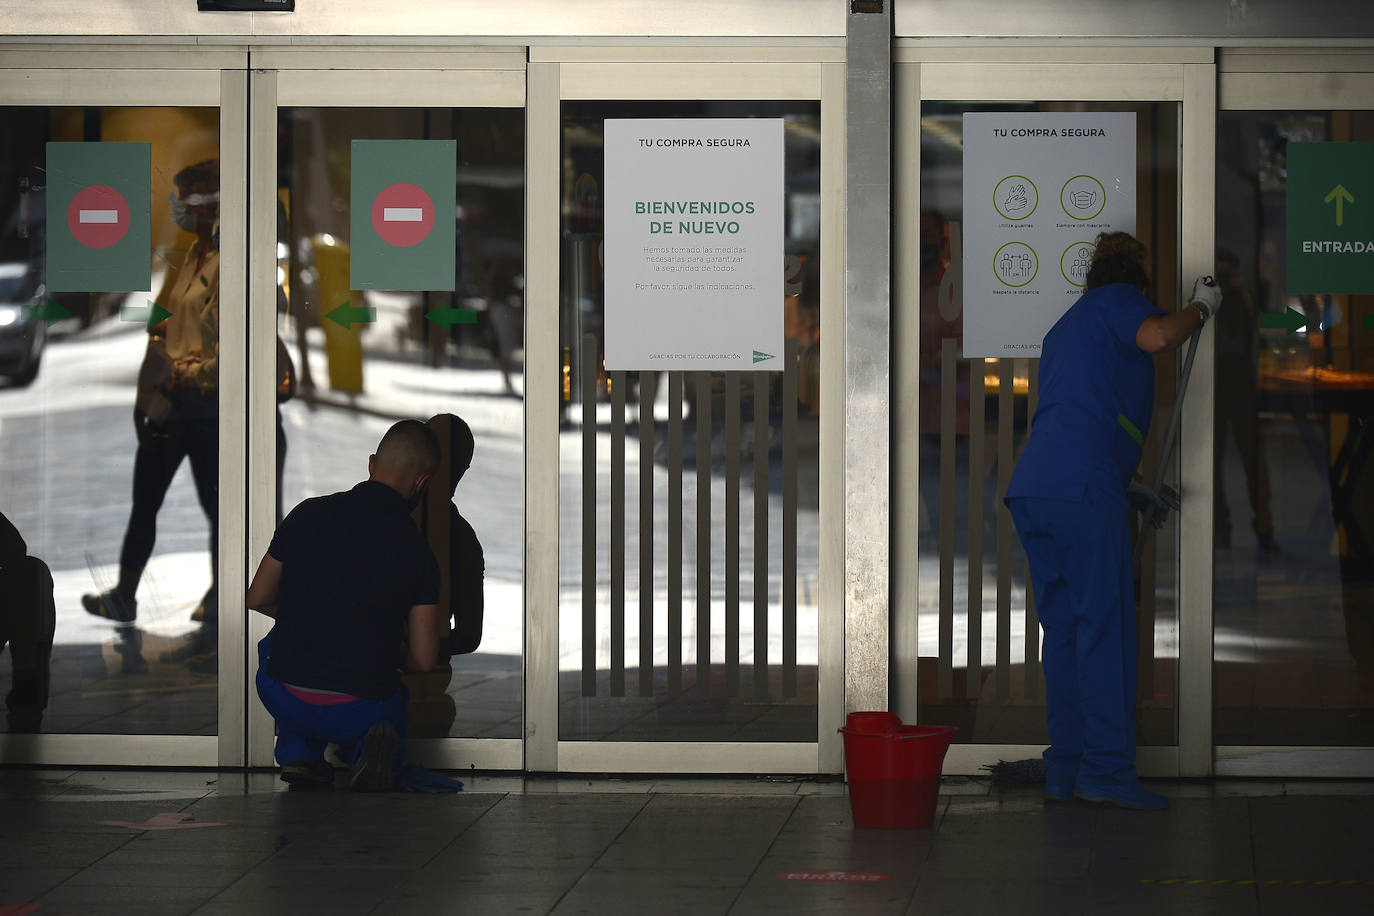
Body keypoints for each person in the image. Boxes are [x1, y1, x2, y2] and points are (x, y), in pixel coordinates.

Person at [1004, 232, 1222, 810]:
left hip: (1036, 493)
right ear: (1137, 282)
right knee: (1105, 633)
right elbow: (1158, 336)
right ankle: (1105, 772)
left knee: (1067, 635)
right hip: (1081, 491)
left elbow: (1079, 414)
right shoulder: (1120, 302)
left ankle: (1065, 766)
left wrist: (1129, 488)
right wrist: (1202, 308)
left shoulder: (1065, 327)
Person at [247, 420, 443, 790]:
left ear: (371, 464)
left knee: (277, 645)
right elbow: (423, 659)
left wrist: (310, 618)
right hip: (360, 708)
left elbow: (257, 597)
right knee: (391, 697)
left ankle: (298, 754)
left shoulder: (307, 514)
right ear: (421, 483)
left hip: (284, 695)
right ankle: (363, 752)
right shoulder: (417, 551)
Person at [82, 159, 222, 665]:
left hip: (206, 406)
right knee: (146, 501)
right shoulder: (193, 256)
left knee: (217, 509)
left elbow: (227, 345)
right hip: (172, 400)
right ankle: (124, 593)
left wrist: (188, 373)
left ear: (210, 203)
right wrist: (156, 361)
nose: (178, 207)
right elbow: (164, 319)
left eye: (185, 197)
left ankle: (223, 596)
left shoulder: (229, 264)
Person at [404, 413, 485, 736]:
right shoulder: (461, 537)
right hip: (426, 680)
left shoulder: (371, 517)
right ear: (462, 471)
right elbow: (468, 635)